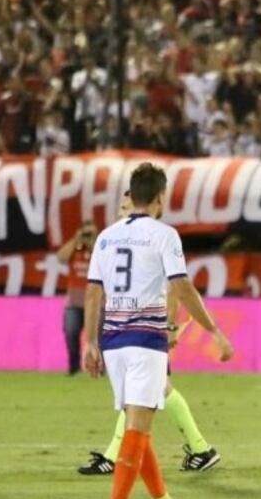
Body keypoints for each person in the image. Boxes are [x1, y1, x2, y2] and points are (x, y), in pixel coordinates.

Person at [83, 163, 233, 499]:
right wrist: (213, 330)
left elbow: (92, 292)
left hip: (113, 340)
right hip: (146, 341)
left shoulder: (106, 236)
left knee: (139, 421)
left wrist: (90, 342)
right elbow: (181, 287)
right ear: (160, 197)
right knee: (138, 427)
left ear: (131, 195)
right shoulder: (164, 235)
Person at [78, 194, 222, 475]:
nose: (121, 211)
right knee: (159, 389)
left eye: (124, 206)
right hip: (134, 333)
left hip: (147, 333)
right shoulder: (125, 240)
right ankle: (201, 449)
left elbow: (174, 288)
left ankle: (114, 456)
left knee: (141, 396)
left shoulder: (155, 239)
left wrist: (169, 325)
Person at [57, 220, 96, 375]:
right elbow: (61, 257)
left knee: (99, 336)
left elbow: (107, 258)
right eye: (85, 232)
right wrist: (76, 239)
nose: (87, 236)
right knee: (71, 332)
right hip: (74, 301)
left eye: (91, 233)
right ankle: (74, 367)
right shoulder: (75, 248)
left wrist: (92, 242)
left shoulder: (101, 247)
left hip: (95, 301)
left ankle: (99, 367)